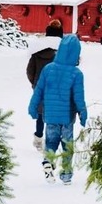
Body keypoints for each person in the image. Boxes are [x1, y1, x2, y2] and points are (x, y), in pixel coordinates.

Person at [28, 34, 88, 185]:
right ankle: (66, 175)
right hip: (67, 118)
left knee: (51, 141)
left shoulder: (48, 69)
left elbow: (39, 90)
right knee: (67, 145)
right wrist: (83, 113)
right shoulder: (76, 74)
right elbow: (78, 97)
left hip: (50, 115)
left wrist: (33, 106)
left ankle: (48, 161)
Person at [26, 19, 64, 151]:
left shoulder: (37, 51)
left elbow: (30, 70)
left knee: (41, 113)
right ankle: (51, 142)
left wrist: (35, 84)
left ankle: (38, 138)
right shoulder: (63, 51)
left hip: (40, 87)